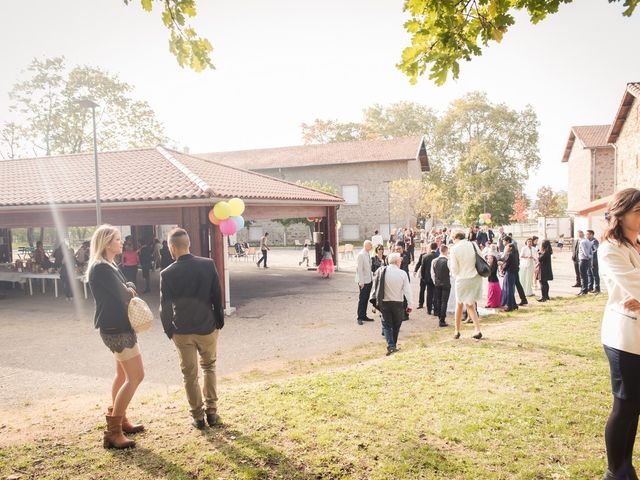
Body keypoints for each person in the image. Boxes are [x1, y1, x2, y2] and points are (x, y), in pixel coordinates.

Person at [160, 228, 225, 430]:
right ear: (188, 244)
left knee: (189, 375)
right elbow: (216, 295)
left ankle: (197, 416)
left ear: (172, 247)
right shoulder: (207, 265)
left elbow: (165, 306)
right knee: (209, 368)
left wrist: (168, 330)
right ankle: (212, 412)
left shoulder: (167, 273)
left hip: (182, 330)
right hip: (207, 326)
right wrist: (219, 321)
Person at [87, 225, 144, 449]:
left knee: (122, 375)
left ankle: (121, 420)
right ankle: (113, 432)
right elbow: (124, 292)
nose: (122, 242)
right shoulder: (101, 268)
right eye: (118, 239)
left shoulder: (109, 265)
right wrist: (128, 288)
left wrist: (128, 288)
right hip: (116, 328)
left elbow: (129, 286)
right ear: (107, 242)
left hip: (117, 326)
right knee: (136, 376)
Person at [598, 188, 640, 479]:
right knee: (624, 405)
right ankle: (617, 471)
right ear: (620, 215)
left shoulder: (636, 245)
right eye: (638, 211)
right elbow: (634, 284)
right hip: (623, 336)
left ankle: (627, 466)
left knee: (635, 406)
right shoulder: (610, 248)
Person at [370, 252, 412, 356]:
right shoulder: (402, 273)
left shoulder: (382, 271)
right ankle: (393, 345)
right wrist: (410, 304)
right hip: (398, 302)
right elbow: (407, 290)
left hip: (384, 302)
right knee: (396, 325)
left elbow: (376, 287)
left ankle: (391, 346)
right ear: (398, 261)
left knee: (387, 325)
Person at [449, 231, 483, 340]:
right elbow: (481, 258)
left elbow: (454, 268)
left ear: (455, 238)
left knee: (459, 305)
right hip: (475, 277)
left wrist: (454, 275)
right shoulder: (473, 244)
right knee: (471, 304)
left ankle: (457, 330)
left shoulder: (454, 249)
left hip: (462, 278)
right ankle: (477, 329)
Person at [415, 242, 438, 314]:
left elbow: (423, 268)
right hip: (435, 278)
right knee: (435, 294)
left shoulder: (425, 256)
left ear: (430, 248)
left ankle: (429, 309)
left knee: (429, 294)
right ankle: (436, 310)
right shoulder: (438, 256)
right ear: (437, 248)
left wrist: (423, 277)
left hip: (427, 278)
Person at [431, 244, 451, 327]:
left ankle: (440, 316)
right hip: (446, 282)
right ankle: (442, 319)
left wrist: (435, 282)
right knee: (444, 302)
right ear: (446, 251)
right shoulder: (449, 261)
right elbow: (451, 273)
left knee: (438, 300)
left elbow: (432, 273)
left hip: (437, 283)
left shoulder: (434, 261)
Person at [356, 240, 374, 325]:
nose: (371, 247)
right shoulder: (361, 255)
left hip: (369, 280)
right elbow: (359, 270)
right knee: (362, 299)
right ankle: (360, 317)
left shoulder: (367, 254)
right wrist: (361, 282)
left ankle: (364, 315)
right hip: (363, 281)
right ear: (366, 245)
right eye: (370, 245)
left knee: (366, 299)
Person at [500, 239, 519, 312]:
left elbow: (507, 264)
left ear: (510, 247)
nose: (506, 248)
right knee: (511, 289)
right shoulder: (515, 254)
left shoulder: (510, 255)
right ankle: (513, 304)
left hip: (509, 273)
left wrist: (503, 268)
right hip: (513, 273)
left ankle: (509, 306)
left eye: (507, 247)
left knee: (508, 290)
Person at [577, 230, 594, 296]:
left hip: (583, 260)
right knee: (584, 276)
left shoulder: (582, 242)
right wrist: (590, 256)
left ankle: (584, 290)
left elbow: (585, 252)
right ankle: (583, 290)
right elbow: (591, 251)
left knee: (583, 276)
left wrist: (589, 256)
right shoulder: (588, 241)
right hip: (586, 260)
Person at [588, 229, 601, 293]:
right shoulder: (588, 241)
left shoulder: (594, 241)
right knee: (589, 274)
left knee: (595, 274)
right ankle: (590, 287)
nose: (586, 235)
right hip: (589, 260)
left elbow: (595, 250)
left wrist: (589, 253)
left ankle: (597, 288)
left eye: (587, 234)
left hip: (594, 260)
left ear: (591, 234)